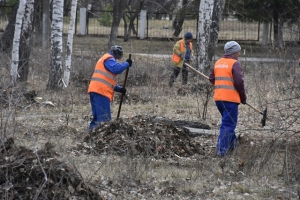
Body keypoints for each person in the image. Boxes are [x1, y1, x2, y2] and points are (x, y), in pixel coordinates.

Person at [208, 41, 247, 157]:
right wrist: (243, 97)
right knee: (228, 125)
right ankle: (221, 152)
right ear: (234, 53)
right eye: (238, 52)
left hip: (218, 99)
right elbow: (239, 82)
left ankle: (233, 146)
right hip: (230, 100)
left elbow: (211, 79)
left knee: (227, 122)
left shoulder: (218, 62)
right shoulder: (235, 64)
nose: (239, 54)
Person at [87, 45, 132, 131]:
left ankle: (90, 136)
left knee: (97, 117)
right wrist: (127, 64)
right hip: (101, 92)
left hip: (95, 90)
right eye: (119, 56)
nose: (118, 59)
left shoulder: (105, 59)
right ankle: (100, 139)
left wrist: (119, 89)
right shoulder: (109, 59)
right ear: (116, 54)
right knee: (104, 119)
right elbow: (117, 69)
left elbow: (106, 81)